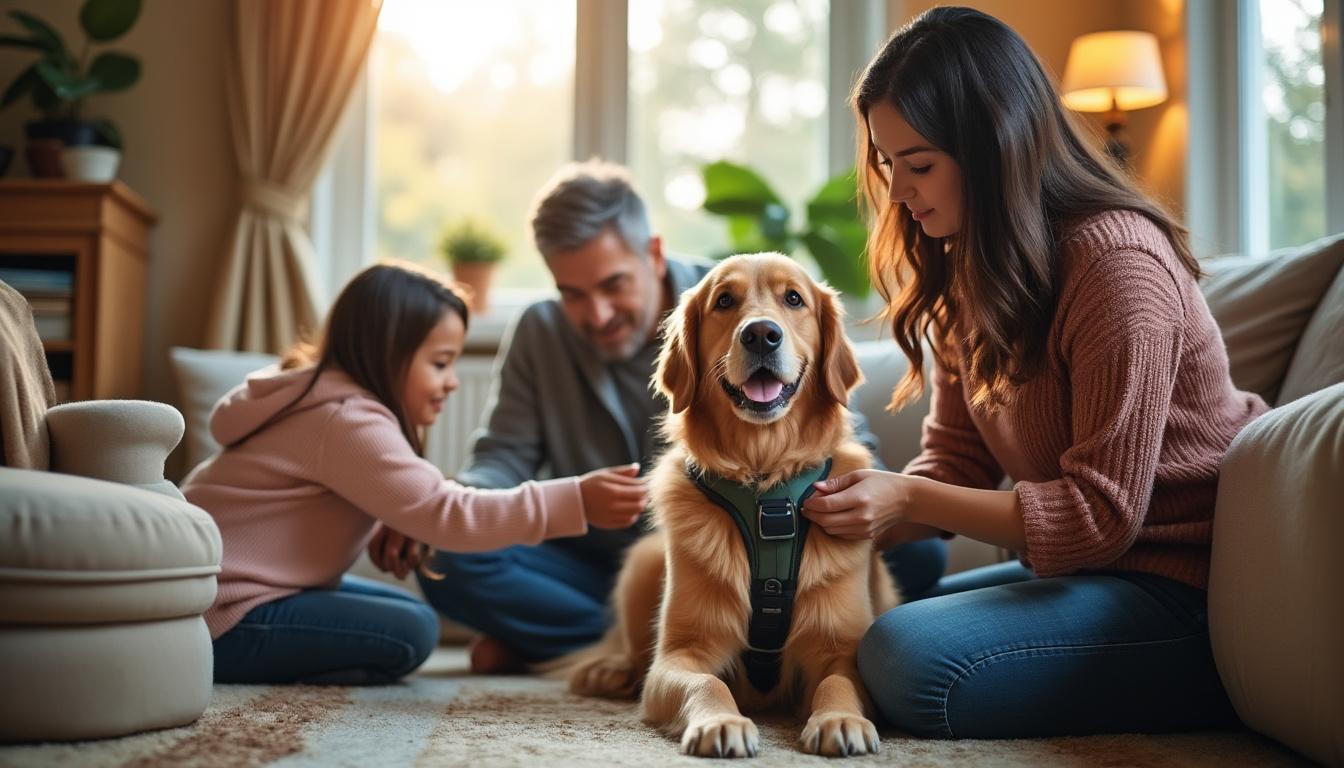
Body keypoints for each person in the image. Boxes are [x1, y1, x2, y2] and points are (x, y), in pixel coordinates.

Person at [797, 7, 1269, 739]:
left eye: (918, 165)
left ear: (993, 148)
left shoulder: (1117, 265)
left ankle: (1198, 691)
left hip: (1186, 591)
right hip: (1080, 580)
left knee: (905, 657)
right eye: (888, 165)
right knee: (879, 610)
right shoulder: (969, 270)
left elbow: (1100, 519)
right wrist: (828, 519)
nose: (896, 192)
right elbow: (957, 462)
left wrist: (904, 498)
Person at [417, 161, 948, 673]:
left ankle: (560, 645)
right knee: (444, 557)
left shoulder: (728, 301)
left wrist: (863, 504)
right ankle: (664, 645)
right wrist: (442, 505)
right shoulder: (539, 331)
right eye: (571, 294)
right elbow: (501, 459)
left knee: (917, 553)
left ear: (652, 253)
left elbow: (840, 431)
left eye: (612, 285)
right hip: (588, 565)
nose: (596, 314)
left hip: (755, 555)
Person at [182, 261, 646, 685]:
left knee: (405, 609)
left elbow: (343, 493)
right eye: (441, 363)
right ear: (388, 354)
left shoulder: (328, 405)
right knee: (411, 634)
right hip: (224, 617)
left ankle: (541, 650)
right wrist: (575, 501)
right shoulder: (346, 419)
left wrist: (385, 513)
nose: (452, 381)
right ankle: (618, 651)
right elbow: (446, 512)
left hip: (225, 597)